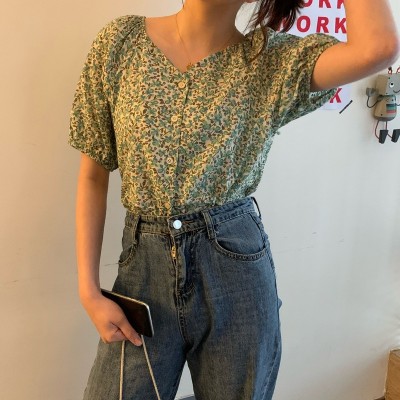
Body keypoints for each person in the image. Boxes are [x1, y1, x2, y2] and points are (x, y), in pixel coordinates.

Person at [68, 1, 399, 399]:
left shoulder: (271, 62)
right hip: (143, 273)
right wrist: (89, 290)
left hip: (235, 269)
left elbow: (378, 47)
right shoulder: (121, 43)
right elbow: (93, 174)